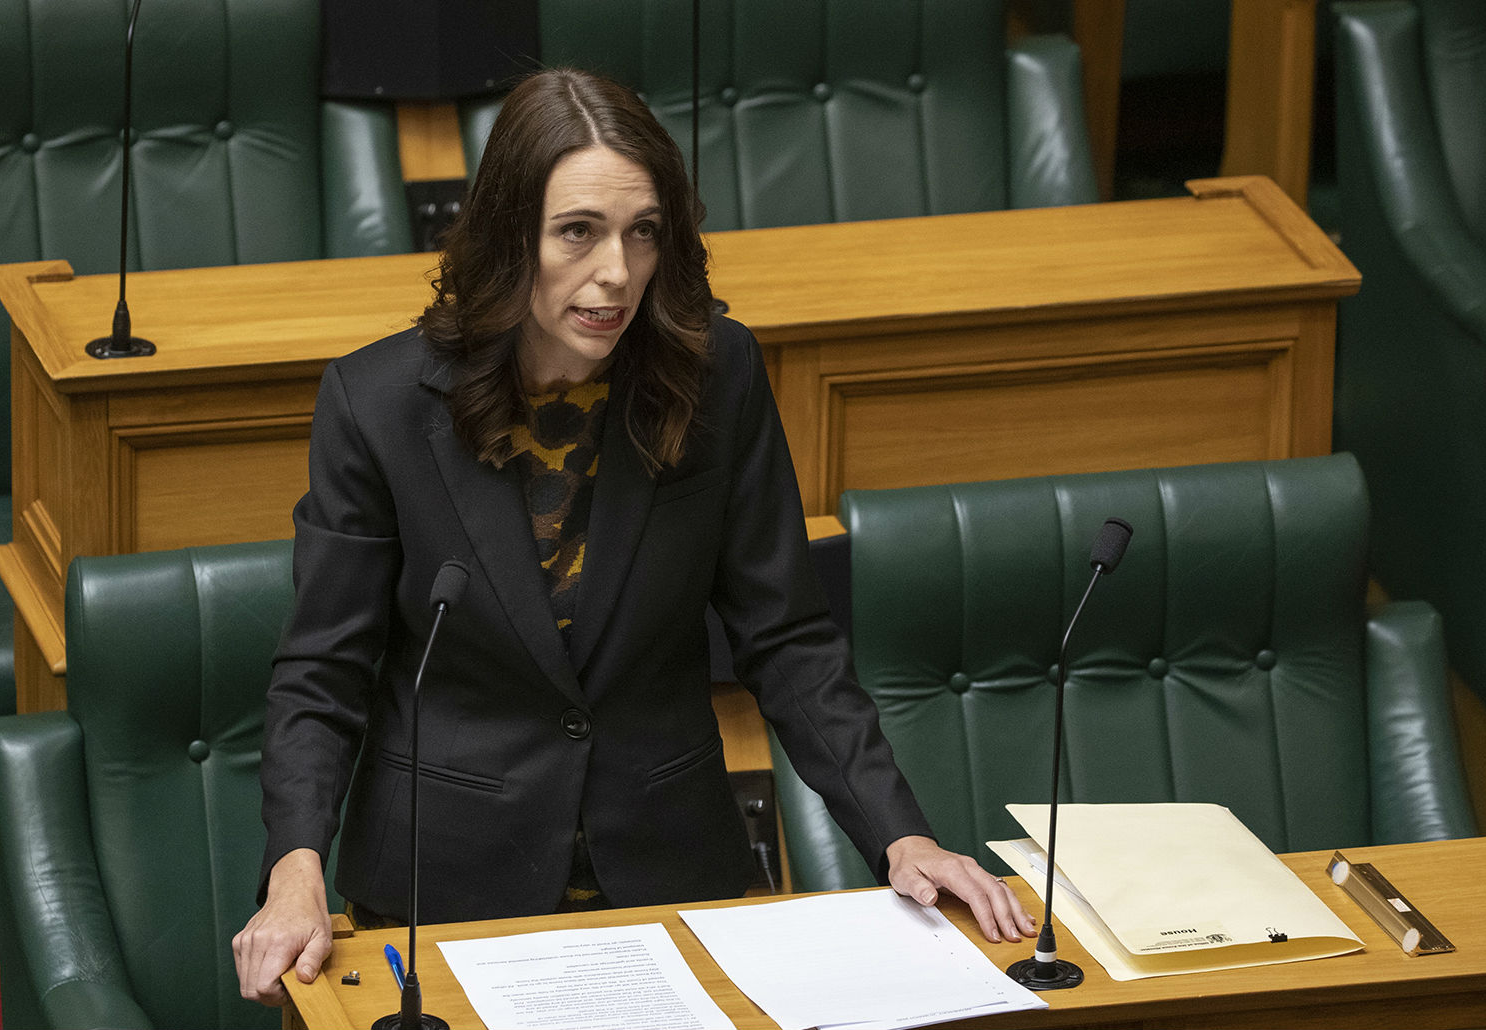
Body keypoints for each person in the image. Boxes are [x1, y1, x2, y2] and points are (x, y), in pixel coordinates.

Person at [232, 67, 1034, 1007]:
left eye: (642, 232)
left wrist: (903, 837)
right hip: (442, 890)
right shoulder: (374, 405)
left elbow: (785, 636)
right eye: (578, 232)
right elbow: (324, 670)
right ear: (506, 237)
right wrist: (295, 870)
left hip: (669, 873)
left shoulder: (714, 372)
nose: (615, 271)